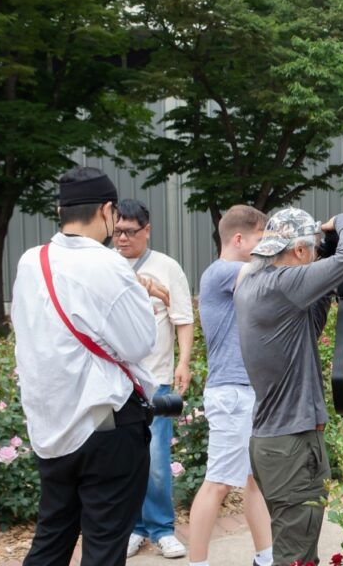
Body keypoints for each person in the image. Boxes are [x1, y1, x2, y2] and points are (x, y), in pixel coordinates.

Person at [12, 166, 167, 566]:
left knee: (51, 538)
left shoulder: (32, 262)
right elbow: (139, 342)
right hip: (107, 427)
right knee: (103, 547)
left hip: (52, 430)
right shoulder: (108, 264)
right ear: (107, 211)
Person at [236, 208, 343, 565]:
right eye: (312, 249)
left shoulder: (252, 284)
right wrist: (340, 220)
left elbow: (309, 328)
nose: (314, 256)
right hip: (293, 446)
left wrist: (326, 271)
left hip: (271, 443)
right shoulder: (285, 285)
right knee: (297, 558)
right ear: (297, 252)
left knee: (293, 550)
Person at [188, 205, 273, 566]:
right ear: (238, 239)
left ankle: (266, 558)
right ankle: (198, 563)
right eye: (260, 240)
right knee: (219, 482)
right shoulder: (223, 272)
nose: (265, 248)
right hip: (231, 392)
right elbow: (271, 270)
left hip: (245, 390)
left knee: (253, 480)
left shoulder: (237, 273)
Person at [114, 199, 194, 560]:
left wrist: (185, 362)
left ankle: (161, 528)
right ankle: (134, 528)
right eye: (117, 231)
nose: (122, 238)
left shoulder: (168, 267)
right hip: (114, 381)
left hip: (157, 378)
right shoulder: (106, 264)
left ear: (147, 230)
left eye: (130, 232)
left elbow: (183, 318)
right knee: (123, 458)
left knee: (156, 458)